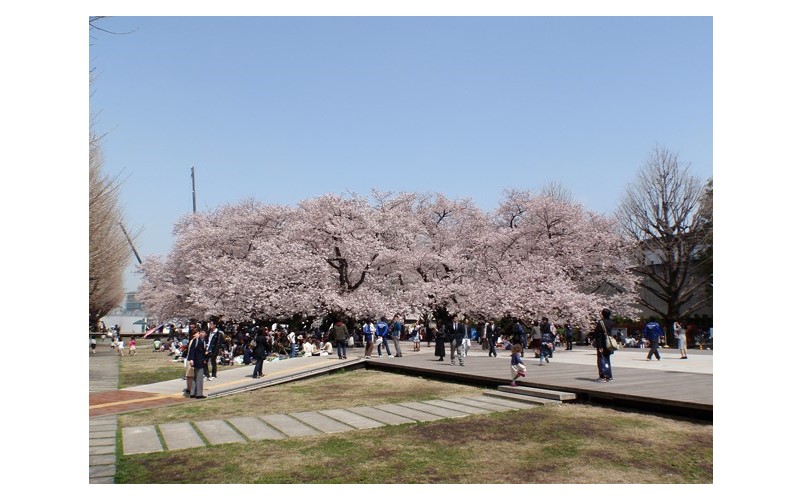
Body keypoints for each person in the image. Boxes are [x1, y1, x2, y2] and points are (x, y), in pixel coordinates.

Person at [594, 308, 614, 382]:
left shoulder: (601, 322)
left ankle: (602, 376)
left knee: (601, 359)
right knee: (607, 359)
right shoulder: (611, 322)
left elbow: (598, 335)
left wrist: (599, 346)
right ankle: (609, 376)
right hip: (608, 343)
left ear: (602, 314)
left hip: (602, 343)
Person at [188, 330, 207, 398]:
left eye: (203, 332)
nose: (202, 333)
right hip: (197, 361)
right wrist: (191, 359)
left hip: (200, 360)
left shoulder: (203, 341)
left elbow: (203, 352)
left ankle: (192, 393)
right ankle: (199, 394)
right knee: (199, 377)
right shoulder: (196, 341)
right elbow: (191, 350)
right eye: (201, 332)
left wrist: (204, 359)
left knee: (195, 377)